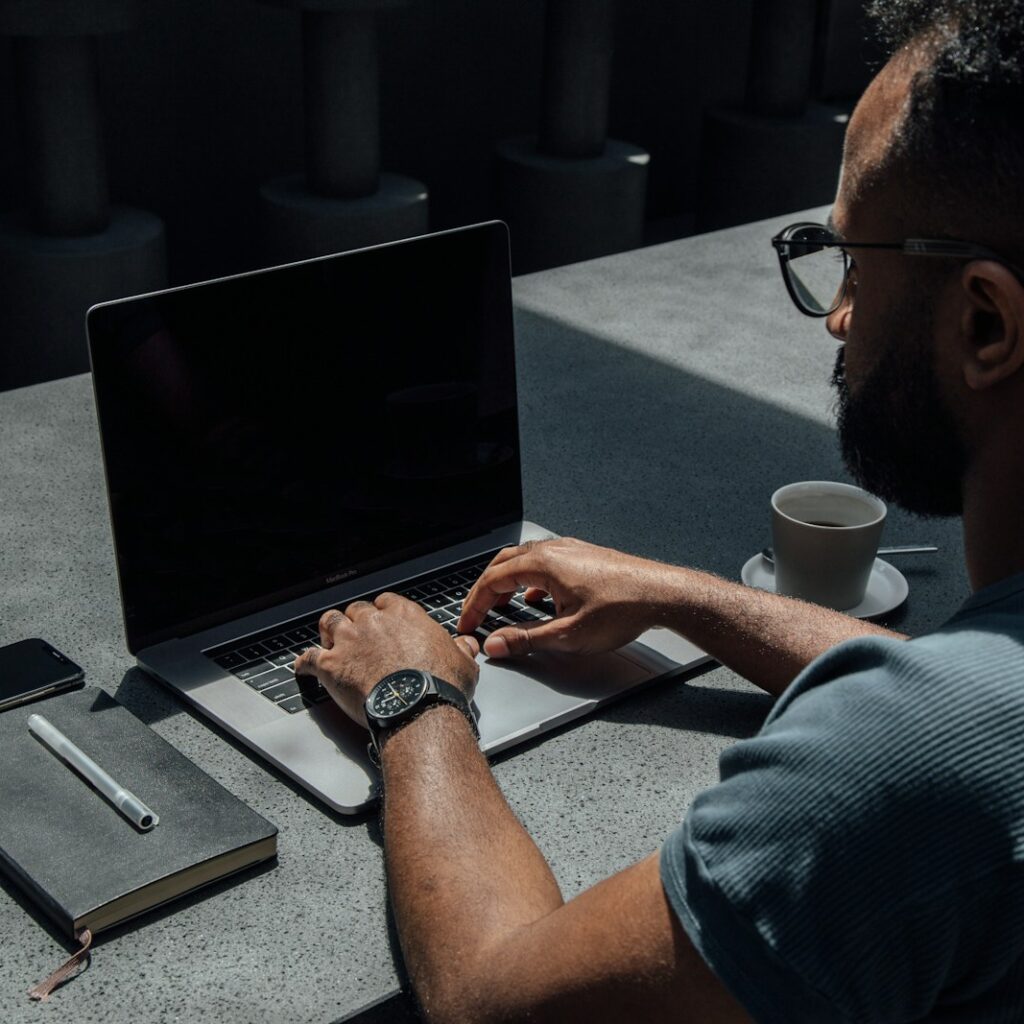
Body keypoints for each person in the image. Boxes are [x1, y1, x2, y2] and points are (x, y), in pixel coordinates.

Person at [294, 2, 1024, 1020]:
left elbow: (490, 1000)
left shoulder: (901, 773)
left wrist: (411, 697)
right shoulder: (973, 706)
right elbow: (965, 698)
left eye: (857, 259)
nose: (843, 315)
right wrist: (682, 597)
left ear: (986, 322)